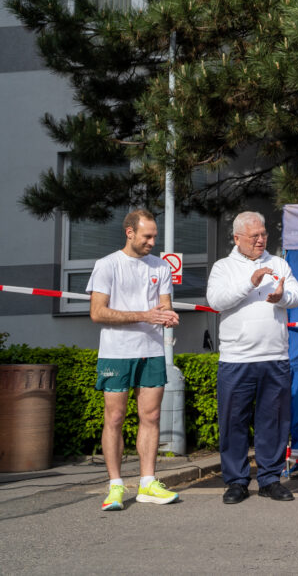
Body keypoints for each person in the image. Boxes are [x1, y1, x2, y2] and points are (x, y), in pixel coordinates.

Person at [207, 211, 298, 505]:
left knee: (273, 422)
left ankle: (270, 479)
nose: (261, 240)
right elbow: (216, 301)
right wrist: (250, 282)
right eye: (255, 236)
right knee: (233, 422)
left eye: (263, 234)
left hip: (274, 356)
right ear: (237, 238)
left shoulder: (279, 263)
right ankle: (236, 482)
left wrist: (282, 297)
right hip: (236, 359)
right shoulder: (223, 267)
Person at [87, 209, 181, 511]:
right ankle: (115, 486)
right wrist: (144, 315)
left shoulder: (161, 267)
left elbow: (164, 306)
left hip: (151, 351)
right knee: (114, 418)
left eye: (154, 236)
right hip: (116, 352)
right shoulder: (107, 265)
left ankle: (147, 483)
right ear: (130, 233)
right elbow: (97, 312)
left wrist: (168, 316)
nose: (152, 242)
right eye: (147, 236)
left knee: (151, 417)